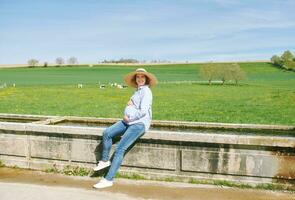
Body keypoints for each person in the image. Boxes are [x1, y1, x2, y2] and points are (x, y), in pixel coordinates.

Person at [93, 68, 157, 189]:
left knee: (120, 149)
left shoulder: (146, 92)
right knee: (107, 133)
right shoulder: (137, 92)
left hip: (139, 124)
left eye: (142, 77)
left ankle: (108, 179)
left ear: (146, 79)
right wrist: (129, 108)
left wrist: (130, 116)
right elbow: (132, 106)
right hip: (128, 121)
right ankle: (105, 160)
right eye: (138, 77)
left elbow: (143, 111)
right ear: (135, 79)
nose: (140, 79)